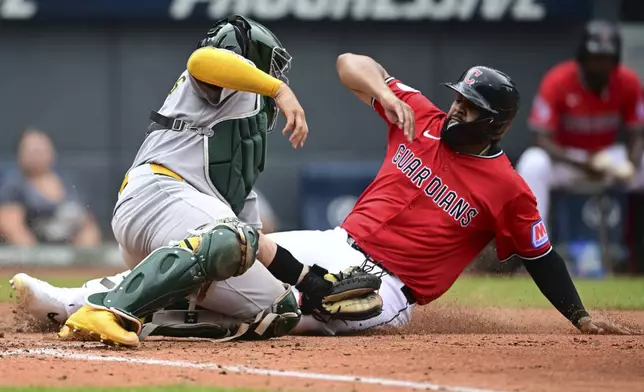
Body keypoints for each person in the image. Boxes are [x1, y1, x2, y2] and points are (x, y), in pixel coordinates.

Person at [13, 52, 635, 341]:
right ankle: (72, 301)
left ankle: (96, 306)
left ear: (494, 124)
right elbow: (349, 62)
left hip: (386, 288)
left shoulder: (509, 187)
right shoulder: (417, 114)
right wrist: (386, 93)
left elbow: (540, 254)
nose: (455, 111)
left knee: (267, 296)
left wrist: (579, 317)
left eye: (470, 108)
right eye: (457, 98)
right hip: (337, 243)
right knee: (223, 247)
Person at [516, 20, 644, 220]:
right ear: (582, 58)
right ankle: (533, 246)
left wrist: (631, 164)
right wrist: (582, 163)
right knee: (533, 162)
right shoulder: (558, 80)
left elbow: (637, 132)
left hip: (610, 159)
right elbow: (541, 139)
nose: (600, 65)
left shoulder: (628, 81)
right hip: (569, 159)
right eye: (594, 58)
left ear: (616, 60)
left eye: (606, 58)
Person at [0, 129, 101, 247]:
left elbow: (88, 224)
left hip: (71, 258)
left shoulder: (68, 183)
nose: (37, 155)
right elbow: (12, 227)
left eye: (41, 149)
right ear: (20, 154)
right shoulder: (14, 186)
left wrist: (85, 255)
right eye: (32, 150)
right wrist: (37, 260)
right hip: (36, 258)